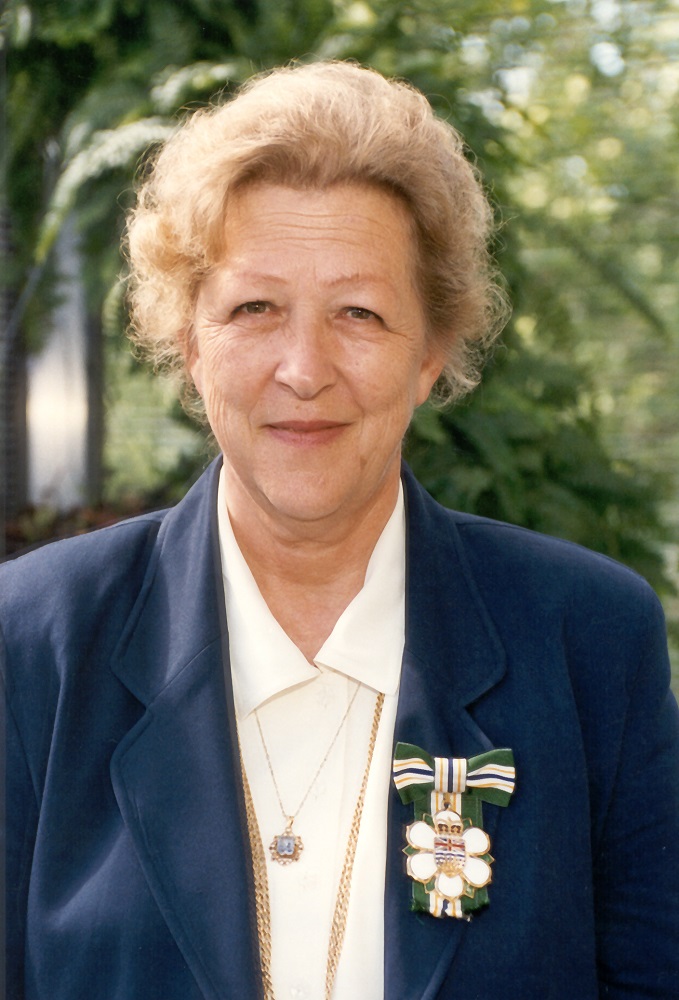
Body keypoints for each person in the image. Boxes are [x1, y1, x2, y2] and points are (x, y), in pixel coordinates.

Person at [2, 60, 678, 1000]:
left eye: (358, 312)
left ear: (432, 351)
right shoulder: (32, 640)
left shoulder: (589, 639)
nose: (304, 367)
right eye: (254, 308)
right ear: (188, 339)